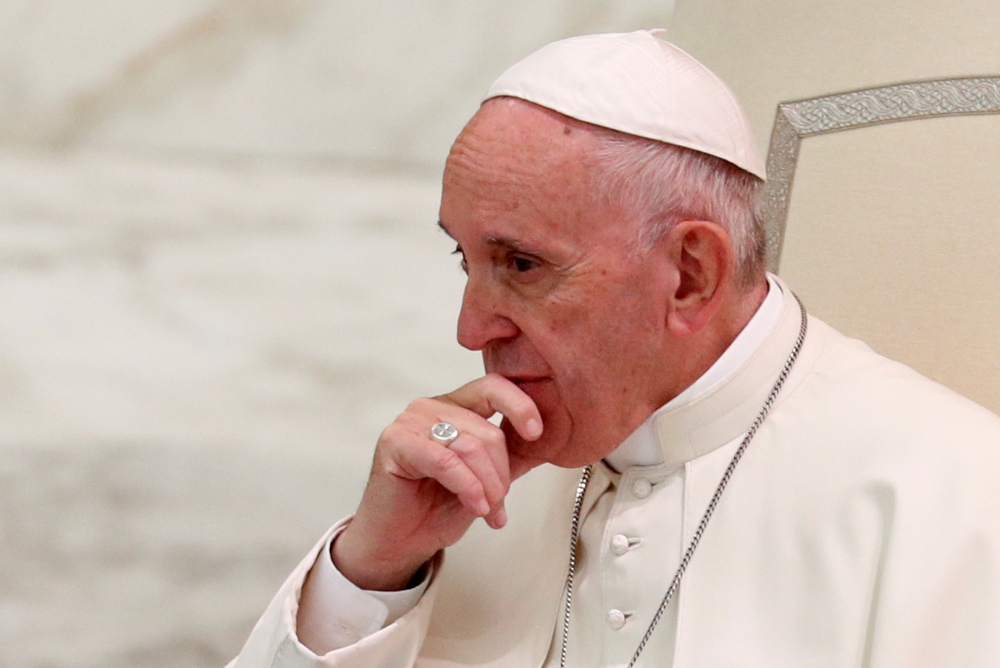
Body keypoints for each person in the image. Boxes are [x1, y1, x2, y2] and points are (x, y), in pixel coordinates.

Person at [229, 30, 1000, 667]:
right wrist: (371, 572)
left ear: (691, 276)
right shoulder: (464, 486)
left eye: (523, 266)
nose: (471, 331)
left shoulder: (955, 504)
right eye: (467, 261)